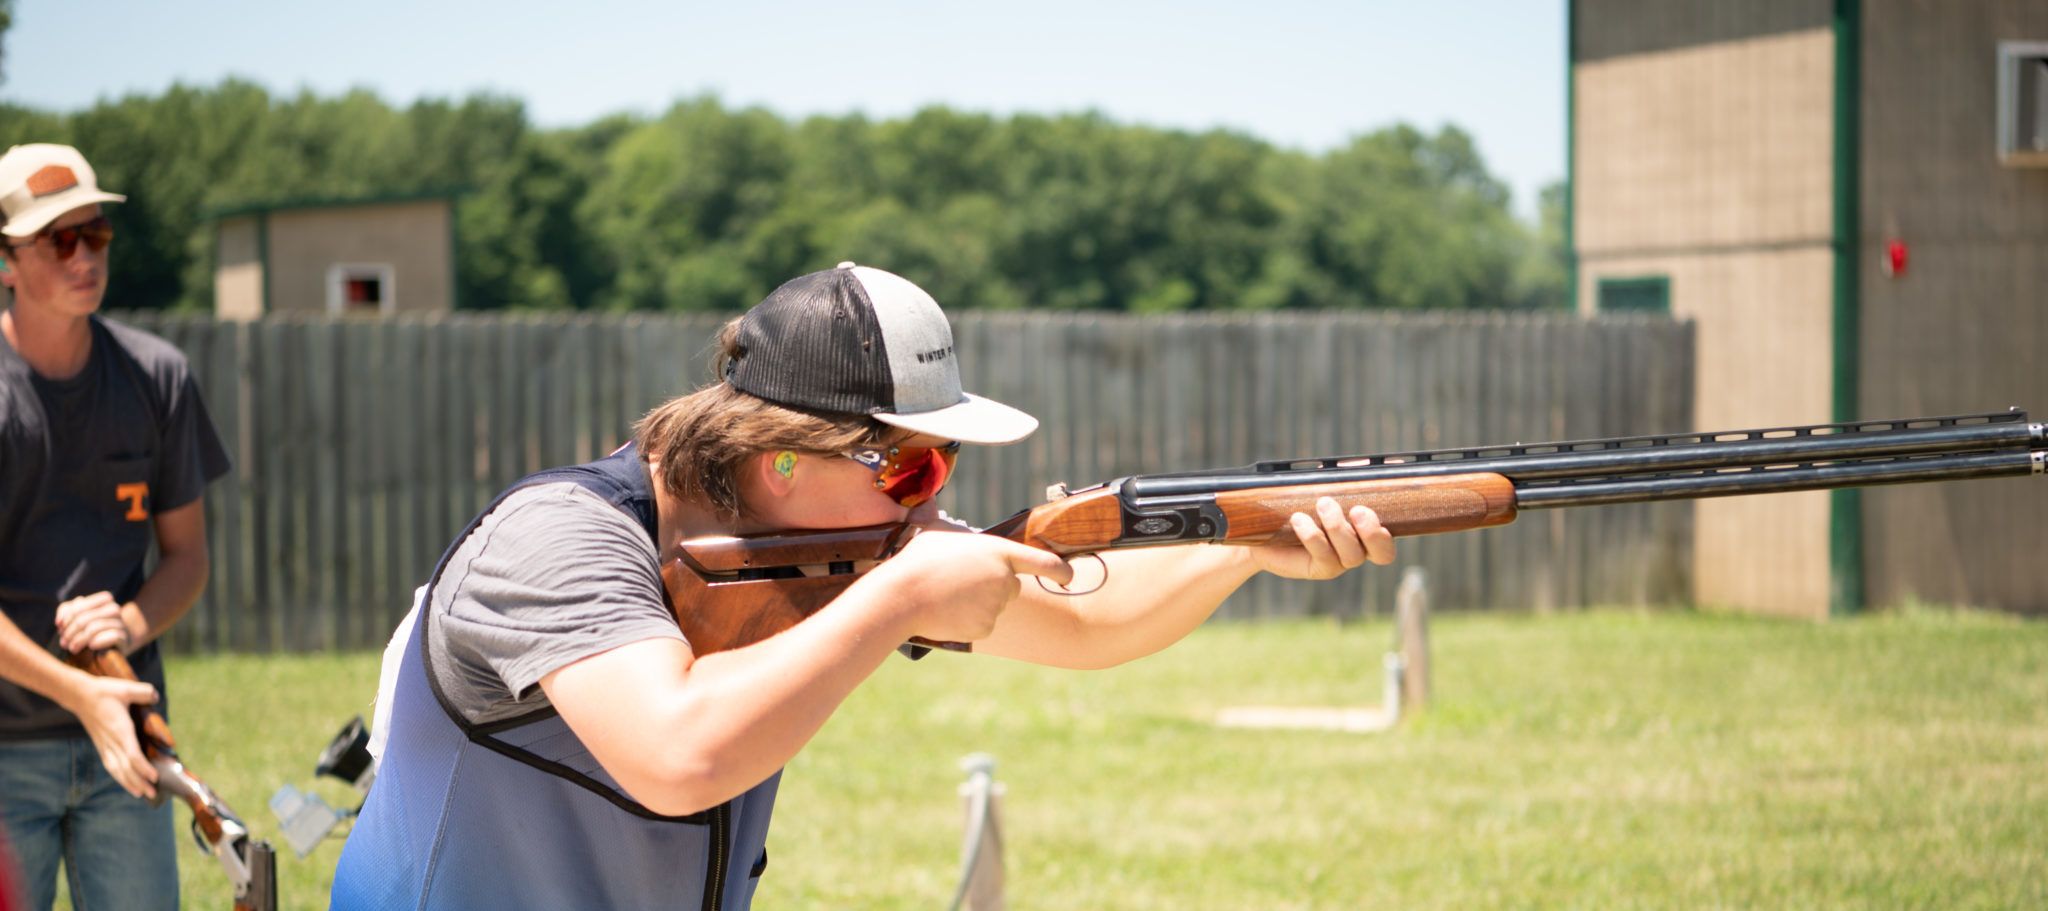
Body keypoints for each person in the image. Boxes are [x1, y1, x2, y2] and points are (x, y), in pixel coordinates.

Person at [332, 262, 1395, 910]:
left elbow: (1089, 622)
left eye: (943, 465)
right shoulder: (555, 540)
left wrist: (1253, 543)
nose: (930, 502)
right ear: (782, 457)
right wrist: (897, 598)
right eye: (911, 466)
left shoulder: (842, 543)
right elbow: (677, 753)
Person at [0, 144, 232, 911]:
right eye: (58, 239)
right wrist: (78, 693)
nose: (83, 256)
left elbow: (188, 556)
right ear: (5, 261)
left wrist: (128, 623)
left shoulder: (156, 375)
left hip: (128, 742)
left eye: (94, 235)